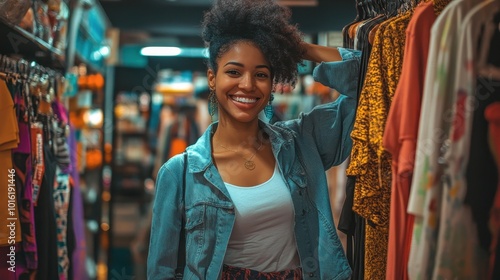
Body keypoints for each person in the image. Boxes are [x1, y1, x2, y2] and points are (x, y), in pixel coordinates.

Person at [147, 0, 361, 279]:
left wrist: (297, 48)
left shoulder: (302, 143)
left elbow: (370, 84)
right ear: (212, 78)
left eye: (261, 74)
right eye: (234, 72)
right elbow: (161, 271)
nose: (247, 85)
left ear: (273, 82)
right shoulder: (180, 173)